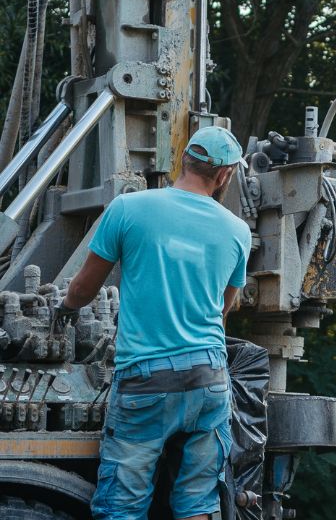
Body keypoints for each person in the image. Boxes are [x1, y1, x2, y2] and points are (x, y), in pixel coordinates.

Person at [57, 126, 251, 520]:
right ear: (225, 175)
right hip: (209, 379)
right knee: (198, 502)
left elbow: (83, 289)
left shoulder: (130, 209)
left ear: (183, 159)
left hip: (146, 382)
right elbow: (222, 309)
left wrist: (64, 310)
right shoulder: (237, 231)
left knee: (123, 506)